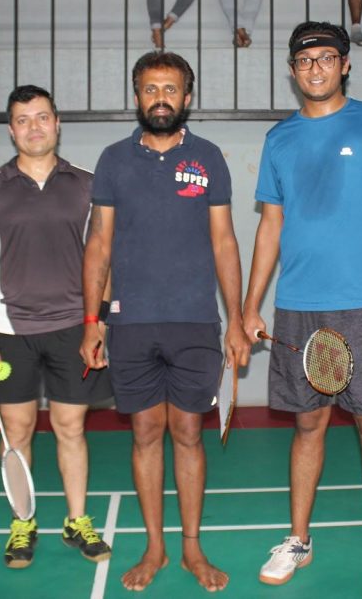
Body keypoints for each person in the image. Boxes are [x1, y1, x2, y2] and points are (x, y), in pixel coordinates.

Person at [243, 21, 362, 599]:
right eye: (304, 60)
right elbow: (270, 226)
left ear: (344, 64)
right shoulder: (279, 139)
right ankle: (298, 539)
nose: (315, 67)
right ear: (292, 71)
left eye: (326, 57)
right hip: (299, 305)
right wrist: (249, 304)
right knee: (307, 424)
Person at [81, 51, 250, 592]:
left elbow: (224, 241)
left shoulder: (209, 158)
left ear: (187, 97)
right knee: (146, 432)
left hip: (195, 322)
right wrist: (93, 321)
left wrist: (237, 318)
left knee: (187, 433)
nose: (161, 98)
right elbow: (99, 245)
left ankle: (191, 551)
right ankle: (154, 548)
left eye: (171, 89)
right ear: (137, 96)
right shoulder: (112, 160)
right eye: (151, 88)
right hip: (131, 325)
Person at [0, 85, 114, 569]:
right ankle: (22, 524)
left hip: (74, 325)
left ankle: (76, 520)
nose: (33, 127)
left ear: (57, 122)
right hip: (9, 329)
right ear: (11, 130)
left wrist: (101, 322)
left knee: (71, 427)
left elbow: (105, 257)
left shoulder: (90, 183)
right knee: (18, 432)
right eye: (23, 120)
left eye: (41, 117)